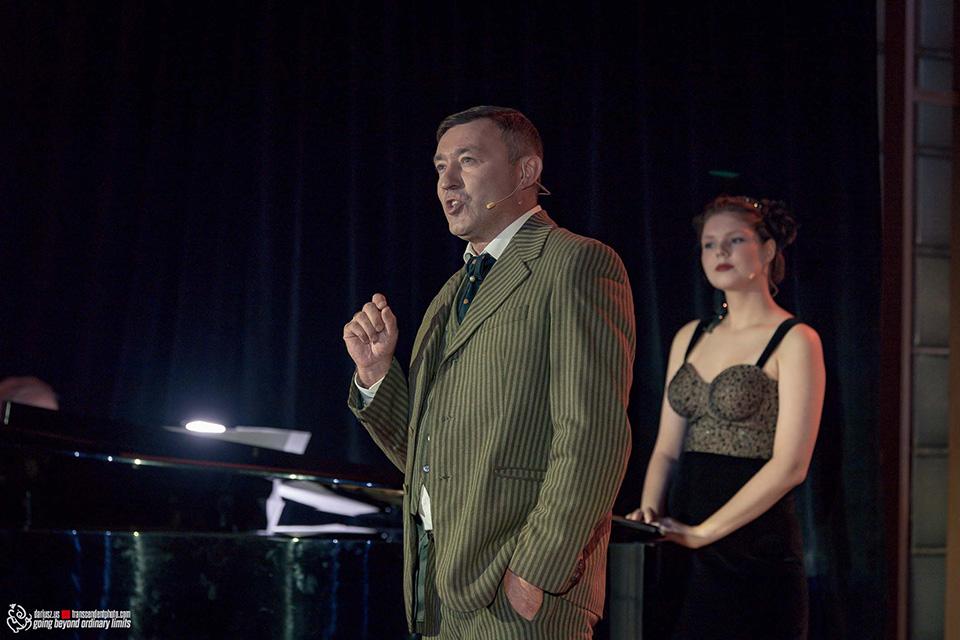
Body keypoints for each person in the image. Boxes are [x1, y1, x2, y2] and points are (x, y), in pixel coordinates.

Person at [343, 106, 635, 638]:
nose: (447, 181)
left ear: (526, 172)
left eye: (468, 161)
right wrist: (377, 375)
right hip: (439, 590)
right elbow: (429, 457)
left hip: (518, 593)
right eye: (439, 166)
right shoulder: (448, 296)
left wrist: (536, 571)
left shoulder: (575, 263)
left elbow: (593, 434)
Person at [626, 195, 825, 639]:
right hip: (682, 539)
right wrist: (651, 515)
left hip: (756, 546)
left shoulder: (796, 339)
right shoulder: (690, 336)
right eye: (709, 243)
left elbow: (791, 465)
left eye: (735, 240)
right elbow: (666, 449)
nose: (720, 251)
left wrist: (704, 533)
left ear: (768, 250)